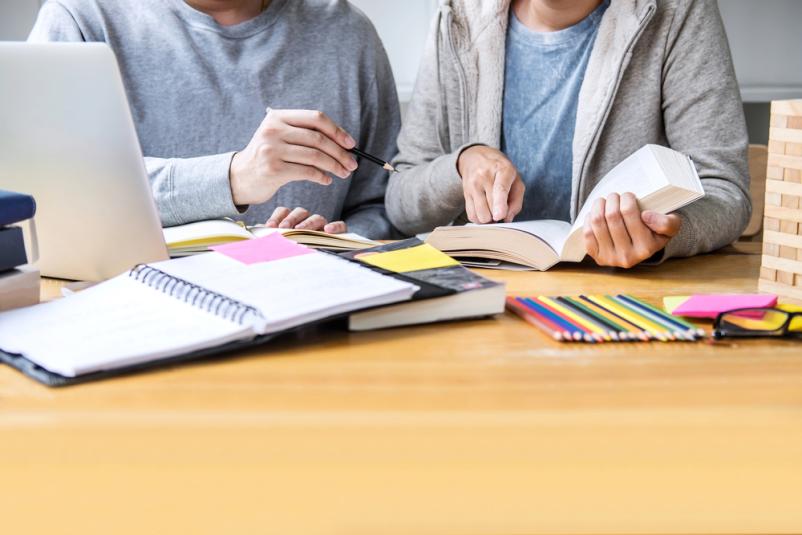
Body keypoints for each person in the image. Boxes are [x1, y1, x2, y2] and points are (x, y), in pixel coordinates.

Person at [386, 0, 751, 267]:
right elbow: (401, 201)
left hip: (618, 293)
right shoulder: (459, 17)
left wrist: (666, 235)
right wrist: (462, 165)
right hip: (482, 291)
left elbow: (724, 191)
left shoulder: (677, 12)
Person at [29, 0, 401, 238]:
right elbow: (50, 195)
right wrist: (234, 178)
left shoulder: (347, 32)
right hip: (129, 308)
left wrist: (339, 242)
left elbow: (381, 206)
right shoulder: (80, 19)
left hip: (310, 310)